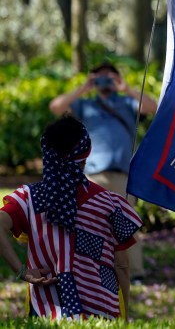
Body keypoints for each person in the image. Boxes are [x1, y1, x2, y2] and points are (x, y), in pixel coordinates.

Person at [0, 116, 143, 319]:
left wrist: (22, 270)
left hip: (44, 313)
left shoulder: (28, 199)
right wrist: (126, 312)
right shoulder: (111, 204)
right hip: (100, 313)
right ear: (85, 156)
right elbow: (122, 266)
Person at [49, 60, 157, 285]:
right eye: (99, 77)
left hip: (122, 176)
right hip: (91, 177)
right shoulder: (85, 106)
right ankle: (91, 273)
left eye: (109, 76)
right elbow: (56, 107)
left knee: (127, 227)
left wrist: (125, 87)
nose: (104, 80)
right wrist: (84, 88)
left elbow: (152, 107)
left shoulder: (127, 103)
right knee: (88, 225)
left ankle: (134, 273)